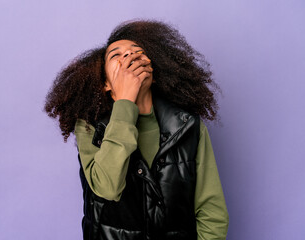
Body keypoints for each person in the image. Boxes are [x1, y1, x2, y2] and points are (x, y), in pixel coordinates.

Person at [44, 20, 229, 240]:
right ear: (105, 83)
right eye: (116, 55)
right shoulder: (89, 126)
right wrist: (125, 102)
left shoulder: (188, 126)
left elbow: (211, 210)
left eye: (138, 52)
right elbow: (108, 188)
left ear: (154, 69)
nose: (130, 57)